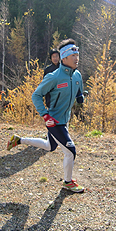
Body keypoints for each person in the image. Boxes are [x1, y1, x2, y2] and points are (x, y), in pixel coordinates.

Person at [7, 38, 85, 193]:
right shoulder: (54, 77)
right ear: (64, 58)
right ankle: (68, 182)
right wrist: (45, 115)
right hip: (54, 120)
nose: (77, 58)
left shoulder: (77, 75)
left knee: (50, 146)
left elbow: (79, 92)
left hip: (65, 119)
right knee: (70, 151)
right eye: (73, 56)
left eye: (77, 55)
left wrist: (81, 97)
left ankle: (19, 140)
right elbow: (36, 95)